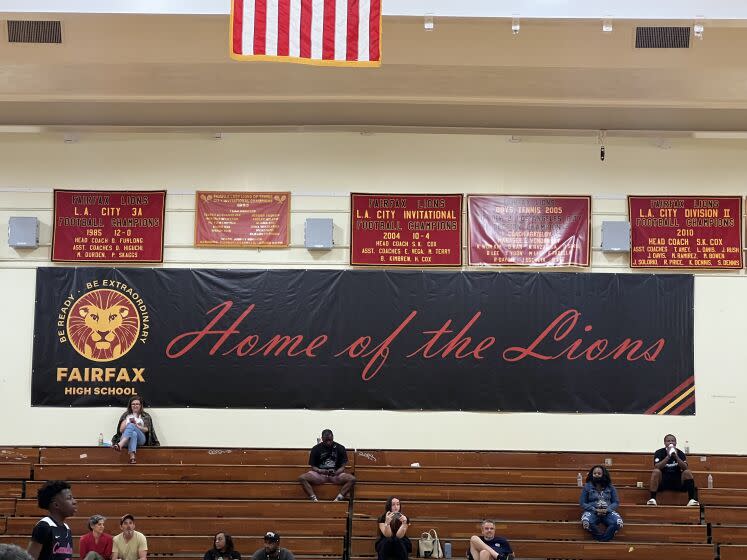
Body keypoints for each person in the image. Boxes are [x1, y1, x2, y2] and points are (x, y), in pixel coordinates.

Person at [298, 429, 355, 502]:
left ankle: (338, 499)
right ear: (322, 438)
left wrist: (336, 472)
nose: (328, 442)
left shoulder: (340, 448)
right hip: (320, 474)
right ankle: (314, 498)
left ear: (333, 437)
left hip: (336, 474)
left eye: (330, 440)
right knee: (302, 478)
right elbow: (313, 466)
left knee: (352, 479)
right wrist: (320, 470)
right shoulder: (316, 449)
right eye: (326, 440)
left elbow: (343, 466)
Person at [26, 480, 76, 560]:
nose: (74, 502)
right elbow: (29, 558)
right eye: (69, 498)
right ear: (56, 505)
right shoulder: (44, 526)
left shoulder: (67, 528)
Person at [647, 434, 698, 506]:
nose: (671, 443)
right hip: (663, 481)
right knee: (656, 471)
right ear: (664, 443)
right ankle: (652, 499)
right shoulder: (659, 452)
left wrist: (676, 457)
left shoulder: (680, 453)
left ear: (676, 443)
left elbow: (685, 467)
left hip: (677, 480)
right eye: (668, 441)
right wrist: (668, 456)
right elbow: (657, 467)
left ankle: (691, 499)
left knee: (687, 472)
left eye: (673, 441)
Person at [579, 465, 623, 542]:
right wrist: (594, 509)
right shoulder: (587, 486)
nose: (596, 475)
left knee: (617, 523)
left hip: (608, 512)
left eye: (599, 473)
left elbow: (616, 502)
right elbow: (582, 503)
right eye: (594, 473)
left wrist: (608, 510)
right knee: (587, 522)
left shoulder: (611, 487)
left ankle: (602, 540)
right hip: (592, 511)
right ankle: (601, 539)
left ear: (604, 474)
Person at [111, 396, 160, 464]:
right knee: (133, 434)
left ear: (140, 405)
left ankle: (120, 444)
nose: (135, 406)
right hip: (126, 439)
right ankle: (132, 457)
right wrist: (128, 419)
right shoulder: (126, 415)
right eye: (133, 404)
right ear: (130, 405)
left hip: (141, 439)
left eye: (137, 404)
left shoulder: (145, 416)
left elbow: (147, 429)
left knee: (132, 425)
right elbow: (121, 430)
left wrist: (137, 426)